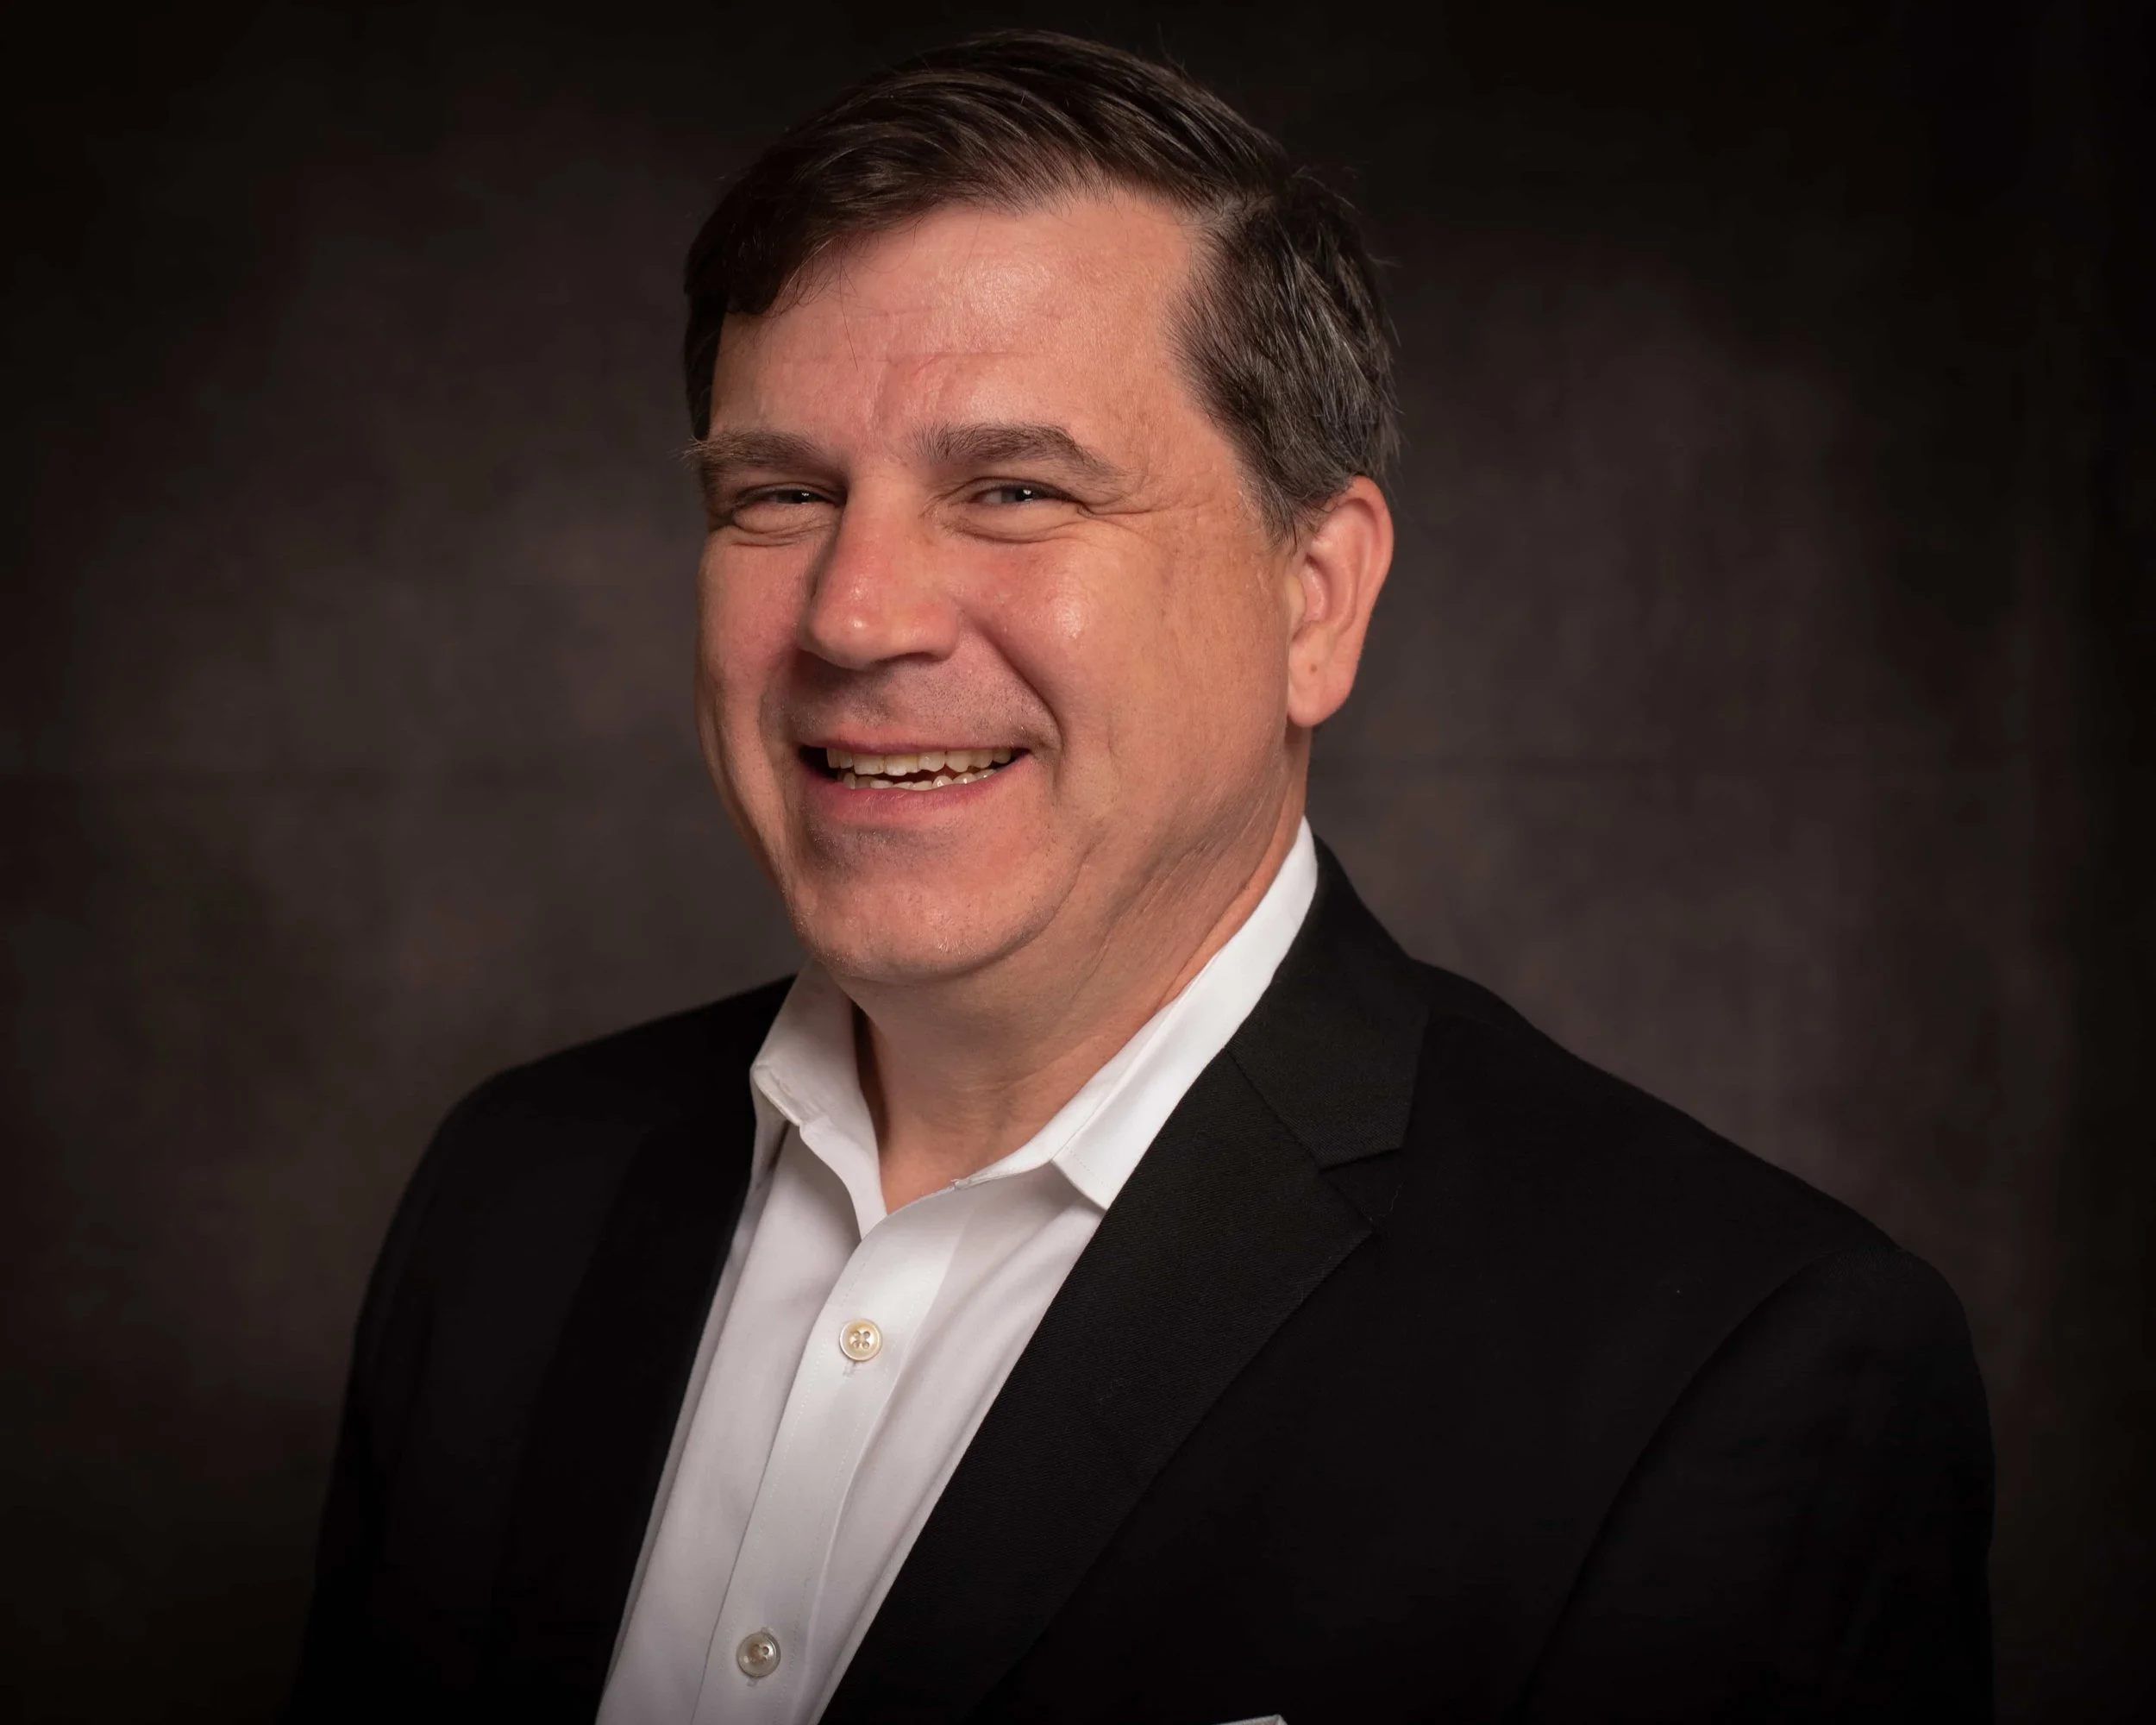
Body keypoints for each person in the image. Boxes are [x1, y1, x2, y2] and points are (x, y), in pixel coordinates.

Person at [286, 30, 1992, 1725]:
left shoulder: (1729, 1371)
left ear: (1315, 598)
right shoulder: (513, 1197)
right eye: (781, 493)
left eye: (1014, 490)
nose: (855, 615)